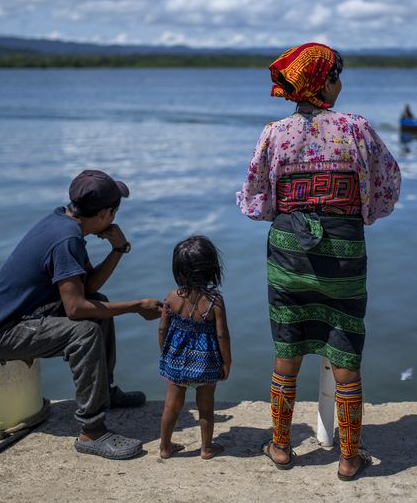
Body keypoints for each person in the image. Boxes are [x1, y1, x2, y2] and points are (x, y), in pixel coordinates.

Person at [236, 43, 401, 480]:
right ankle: (348, 458)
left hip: (288, 250)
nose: (340, 84)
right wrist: (357, 212)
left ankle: (281, 446)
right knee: (346, 348)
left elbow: (255, 200)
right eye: (337, 77)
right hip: (345, 250)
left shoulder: (274, 133)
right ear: (324, 82)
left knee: (287, 346)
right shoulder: (356, 128)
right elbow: (387, 185)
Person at [0, 169, 163, 460]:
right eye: (114, 211)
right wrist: (137, 307)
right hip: (1, 333)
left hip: (23, 317)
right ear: (104, 213)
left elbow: (88, 290)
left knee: (100, 304)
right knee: (84, 331)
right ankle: (92, 431)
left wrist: (118, 249)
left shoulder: (64, 223)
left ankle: (105, 395)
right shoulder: (66, 240)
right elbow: (76, 308)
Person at [157, 236, 231, 460]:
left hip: (176, 361)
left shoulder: (171, 298)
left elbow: (162, 329)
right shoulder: (214, 301)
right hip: (206, 363)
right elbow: (221, 334)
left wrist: (166, 353)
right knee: (206, 408)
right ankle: (206, 448)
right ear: (212, 268)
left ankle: (165, 447)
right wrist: (227, 361)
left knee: (171, 406)